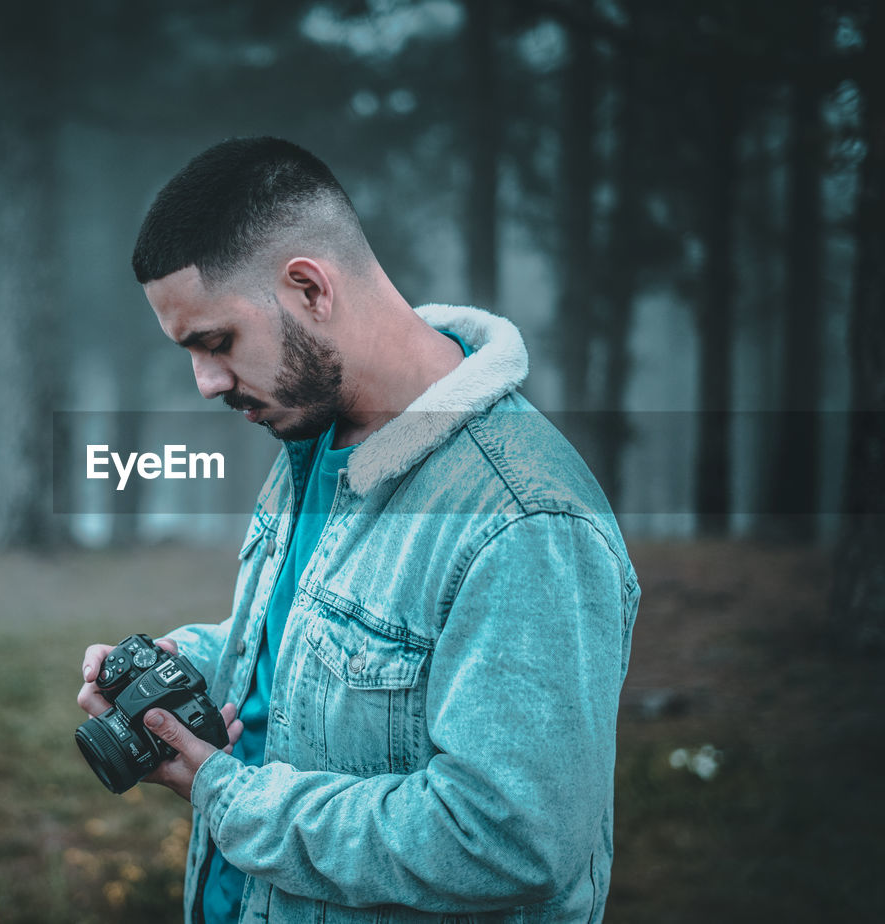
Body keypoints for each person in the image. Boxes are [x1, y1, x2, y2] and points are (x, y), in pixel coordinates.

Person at [77, 136, 639, 924]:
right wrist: (185, 665)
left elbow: (510, 840)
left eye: (216, 343)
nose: (205, 384)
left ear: (309, 288)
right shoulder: (313, 435)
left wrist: (227, 795)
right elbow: (331, 646)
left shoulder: (526, 523)